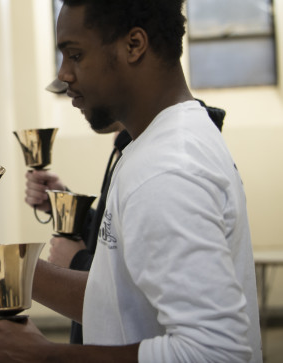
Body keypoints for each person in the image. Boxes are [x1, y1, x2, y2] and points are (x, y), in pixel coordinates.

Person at [0, 0, 261, 362]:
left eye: (75, 54)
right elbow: (117, 300)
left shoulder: (166, 169)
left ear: (134, 44)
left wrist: (46, 356)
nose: (63, 74)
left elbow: (217, 353)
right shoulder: (156, 144)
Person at [27, 102, 224, 344]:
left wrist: (76, 261)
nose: (67, 79)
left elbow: (140, 299)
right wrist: (66, 205)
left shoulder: (166, 161)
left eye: (77, 61)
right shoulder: (140, 147)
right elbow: (118, 232)